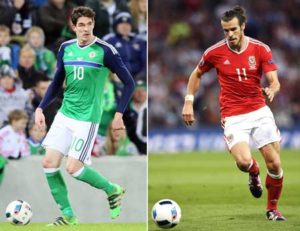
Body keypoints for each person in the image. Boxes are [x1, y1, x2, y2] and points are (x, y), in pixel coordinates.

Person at [182, 6, 286, 221]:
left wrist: (273, 88)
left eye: (233, 30)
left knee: (275, 164)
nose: (229, 35)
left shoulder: (260, 49)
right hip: (233, 115)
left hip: (259, 111)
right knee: (242, 162)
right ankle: (253, 171)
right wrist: (188, 102)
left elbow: (274, 80)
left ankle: (272, 209)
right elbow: (197, 73)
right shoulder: (214, 52)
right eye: (225, 31)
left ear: (243, 27)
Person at [34, 6, 135, 226]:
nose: (86, 29)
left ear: (93, 25)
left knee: (73, 168)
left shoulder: (105, 50)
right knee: (49, 163)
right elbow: (56, 81)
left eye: (89, 24)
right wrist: (41, 108)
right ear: (74, 27)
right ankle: (69, 216)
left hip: (87, 118)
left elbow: (129, 83)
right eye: (81, 25)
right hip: (65, 114)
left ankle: (112, 190)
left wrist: (119, 114)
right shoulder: (65, 48)